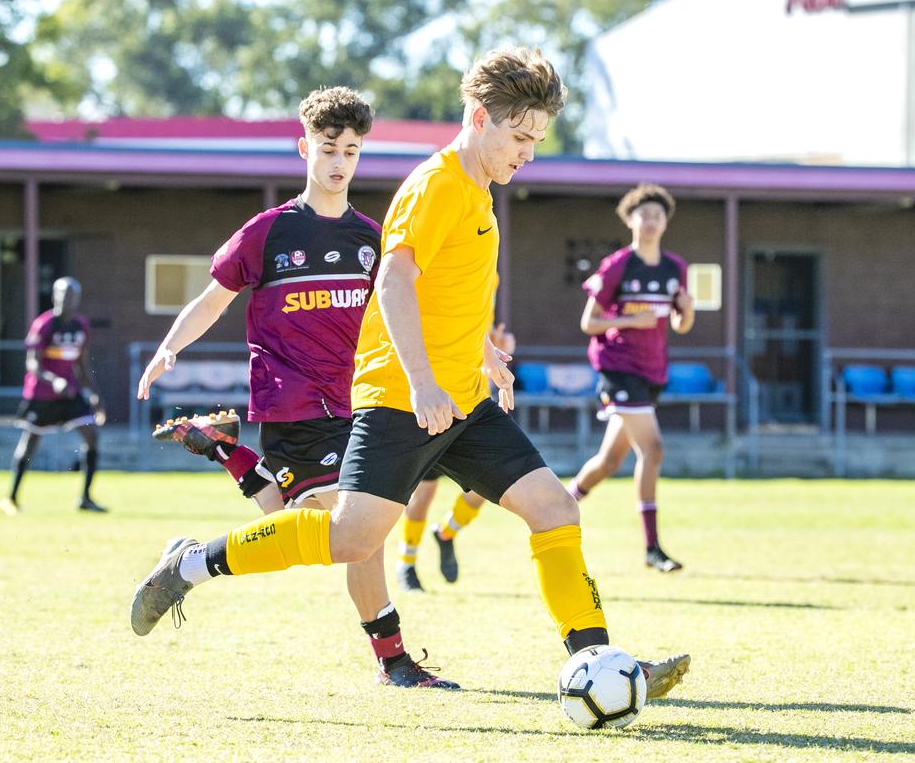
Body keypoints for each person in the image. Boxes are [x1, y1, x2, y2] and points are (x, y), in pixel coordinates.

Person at [130, 49, 690, 698]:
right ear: (480, 118)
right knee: (349, 538)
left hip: (463, 398)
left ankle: (600, 662)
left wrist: (485, 357)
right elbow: (394, 281)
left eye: (538, 139)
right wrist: (422, 381)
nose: (529, 152)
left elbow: (443, 290)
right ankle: (191, 564)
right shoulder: (439, 184)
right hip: (404, 398)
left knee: (555, 508)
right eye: (521, 136)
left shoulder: (478, 190)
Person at [136, 87, 450, 688]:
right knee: (352, 525)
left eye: (352, 152)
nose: (339, 162)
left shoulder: (373, 239)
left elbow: (415, 306)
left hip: (361, 404)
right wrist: (169, 346)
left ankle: (225, 459)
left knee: (316, 525)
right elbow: (213, 299)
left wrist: (480, 351)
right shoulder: (269, 232)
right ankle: (394, 662)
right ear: (304, 148)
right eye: (329, 148)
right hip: (295, 404)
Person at [567, 184, 695, 572]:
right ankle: (652, 549)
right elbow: (589, 323)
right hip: (618, 368)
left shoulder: (675, 268)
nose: (652, 221)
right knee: (653, 451)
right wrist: (629, 320)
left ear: (665, 222)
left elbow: (681, 324)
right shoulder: (619, 265)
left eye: (658, 215)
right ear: (630, 220)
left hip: (652, 371)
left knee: (607, 463)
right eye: (645, 215)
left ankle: (556, 506)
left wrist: (687, 311)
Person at [396, 323, 514, 592]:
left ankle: (446, 533)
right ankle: (407, 564)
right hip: (435, 405)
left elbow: (485, 341)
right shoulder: (434, 288)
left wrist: (503, 348)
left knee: (487, 489)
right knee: (422, 496)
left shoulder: (486, 284)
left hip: (473, 408)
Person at [0, 277, 107, 515]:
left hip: (70, 394)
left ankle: (86, 498)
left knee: (92, 437)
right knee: (30, 444)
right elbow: (33, 365)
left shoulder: (81, 326)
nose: (66, 299)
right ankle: (11, 498)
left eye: (71, 295)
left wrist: (95, 395)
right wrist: (55, 380)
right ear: (54, 296)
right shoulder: (44, 324)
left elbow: (81, 364)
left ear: (77, 299)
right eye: (62, 294)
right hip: (42, 394)